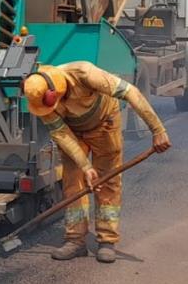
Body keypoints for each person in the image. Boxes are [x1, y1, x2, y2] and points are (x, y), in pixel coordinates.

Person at [22, 61, 172, 263]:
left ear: (55, 91)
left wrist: (158, 130)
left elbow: (131, 93)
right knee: (73, 184)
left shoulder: (85, 73)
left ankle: (107, 240)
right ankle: (75, 240)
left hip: (104, 126)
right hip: (73, 132)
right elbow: (61, 134)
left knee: (108, 182)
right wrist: (85, 166)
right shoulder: (39, 95)